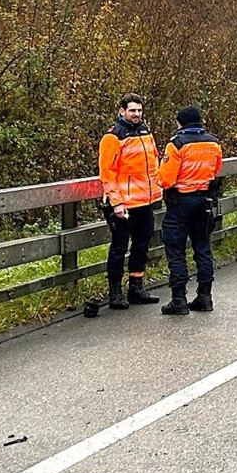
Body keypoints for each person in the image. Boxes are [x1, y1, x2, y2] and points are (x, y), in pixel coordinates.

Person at [93, 93, 162, 314]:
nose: (137, 114)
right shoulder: (113, 137)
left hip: (145, 201)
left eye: (140, 111)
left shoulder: (146, 133)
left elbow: (154, 164)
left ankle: (136, 287)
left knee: (142, 245)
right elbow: (107, 174)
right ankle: (115, 291)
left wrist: (158, 191)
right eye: (133, 110)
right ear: (122, 111)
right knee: (119, 248)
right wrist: (116, 203)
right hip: (123, 203)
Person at [159, 105, 224, 315]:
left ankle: (179, 300)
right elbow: (216, 170)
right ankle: (205, 297)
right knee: (202, 247)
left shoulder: (177, 144)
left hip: (180, 202)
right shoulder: (213, 142)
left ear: (180, 123)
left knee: (176, 249)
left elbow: (166, 179)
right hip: (204, 200)